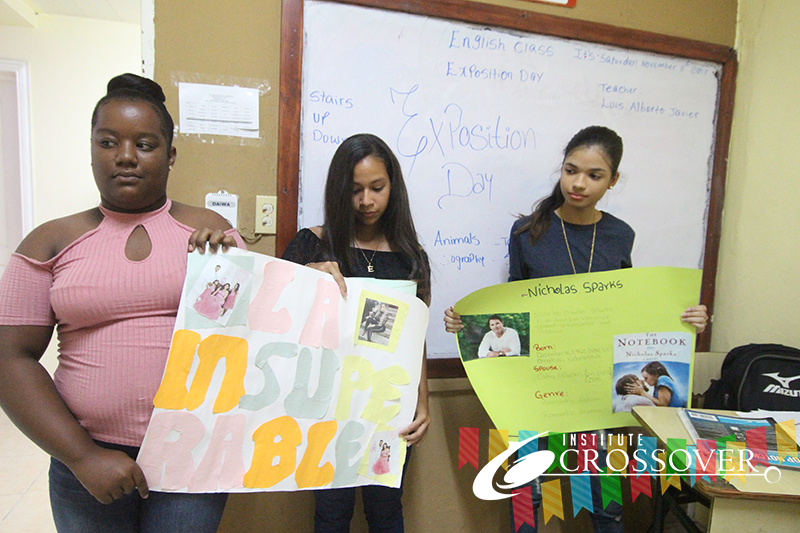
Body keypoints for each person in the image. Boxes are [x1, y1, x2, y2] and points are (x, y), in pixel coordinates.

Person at [0, 73, 244, 533]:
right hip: (84, 458)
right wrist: (83, 457)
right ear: (92, 149)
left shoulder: (212, 234)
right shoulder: (49, 241)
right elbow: (9, 359)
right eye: (108, 142)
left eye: (145, 145)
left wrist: (233, 270)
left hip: (191, 453)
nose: (126, 156)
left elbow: (253, 339)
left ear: (170, 155)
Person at [444, 125, 708, 533]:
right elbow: (514, 309)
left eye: (594, 175)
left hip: (597, 385)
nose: (578, 183)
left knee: (606, 500)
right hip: (535, 384)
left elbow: (630, 310)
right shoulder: (528, 231)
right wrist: (466, 323)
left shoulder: (620, 235)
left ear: (613, 180)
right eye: (571, 170)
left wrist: (685, 319)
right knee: (526, 494)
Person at [281, 133, 431, 533]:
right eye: (355, 190)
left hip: (388, 405)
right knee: (331, 513)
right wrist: (306, 277)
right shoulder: (312, 244)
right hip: (328, 407)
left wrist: (423, 403)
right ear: (338, 191)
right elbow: (274, 317)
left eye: (377, 188)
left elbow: (415, 337)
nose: (366, 201)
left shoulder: (410, 257)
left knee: (386, 511)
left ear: (393, 187)